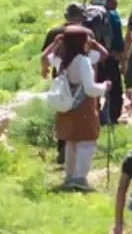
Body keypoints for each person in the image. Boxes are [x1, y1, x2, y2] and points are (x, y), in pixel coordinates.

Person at [40, 24, 109, 192]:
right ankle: (80, 178)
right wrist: (105, 87)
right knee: (87, 141)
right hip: (83, 106)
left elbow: (45, 56)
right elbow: (90, 88)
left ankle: (69, 177)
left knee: (71, 142)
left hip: (67, 104)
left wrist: (56, 43)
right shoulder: (84, 61)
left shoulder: (62, 60)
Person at [41, 2, 89, 166]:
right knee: (82, 115)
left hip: (61, 79)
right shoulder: (86, 32)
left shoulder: (55, 32)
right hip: (82, 79)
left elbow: (45, 55)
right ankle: (78, 151)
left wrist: (45, 70)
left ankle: (63, 148)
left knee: (63, 113)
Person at [92, 0, 126, 126]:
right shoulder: (112, 15)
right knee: (114, 90)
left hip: (91, 58)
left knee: (93, 89)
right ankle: (112, 119)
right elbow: (118, 40)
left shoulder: (88, 14)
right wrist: (121, 55)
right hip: (109, 57)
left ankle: (93, 117)